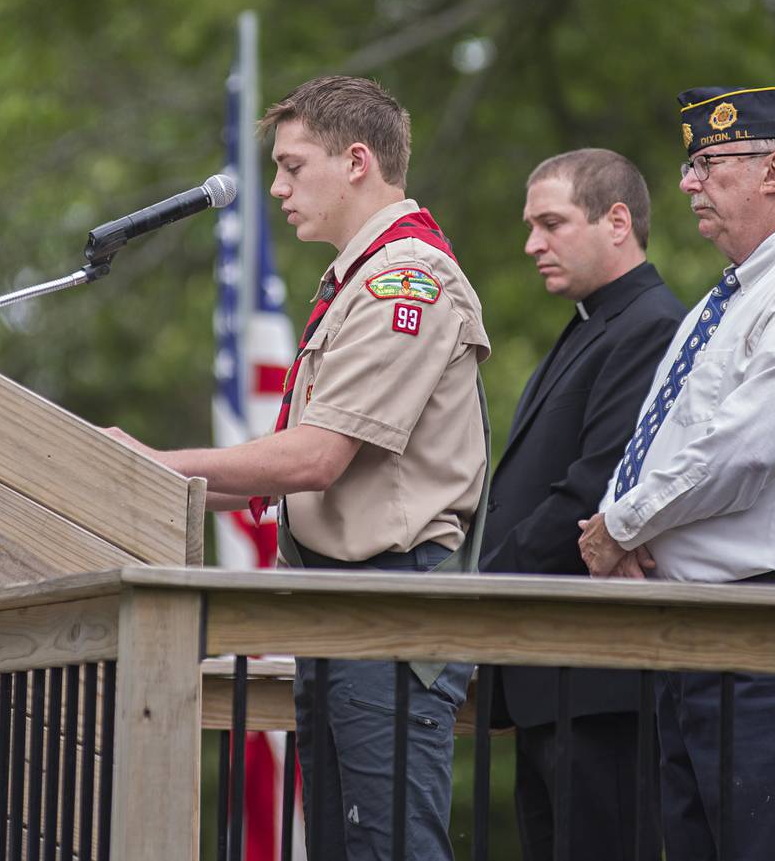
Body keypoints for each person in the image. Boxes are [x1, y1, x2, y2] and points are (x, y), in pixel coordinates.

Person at [104, 75, 489, 861]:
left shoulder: (403, 279)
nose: (275, 187)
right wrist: (145, 478)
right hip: (343, 604)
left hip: (390, 603)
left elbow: (314, 458)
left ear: (356, 161)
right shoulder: (358, 277)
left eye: (292, 165)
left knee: (389, 850)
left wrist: (155, 460)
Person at [577, 84, 775, 861]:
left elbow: (743, 449)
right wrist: (625, 528)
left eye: (709, 163)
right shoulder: (726, 300)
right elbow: (664, 442)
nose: (688, 183)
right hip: (707, 635)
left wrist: (621, 527)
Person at [480, 148, 685, 861]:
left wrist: (471, 589)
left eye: (551, 223)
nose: (532, 243)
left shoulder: (652, 324)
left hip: (600, 681)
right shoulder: (595, 322)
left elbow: (593, 488)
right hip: (551, 672)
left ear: (617, 220)